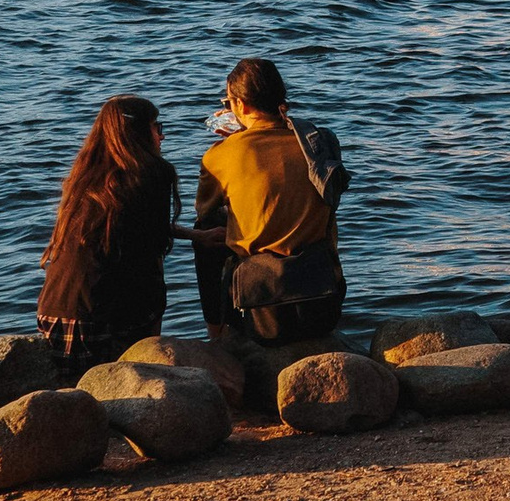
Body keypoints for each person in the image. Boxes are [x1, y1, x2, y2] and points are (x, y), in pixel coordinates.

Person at [194, 57, 350, 346]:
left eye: (228, 102)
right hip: (323, 304)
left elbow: (204, 207)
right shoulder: (318, 142)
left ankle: (216, 337)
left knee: (206, 226)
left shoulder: (222, 155)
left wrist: (233, 145)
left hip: (262, 316)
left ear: (240, 105)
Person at [36, 95, 177, 368]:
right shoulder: (152, 173)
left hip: (54, 314)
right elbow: (155, 245)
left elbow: (125, 229)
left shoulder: (86, 176)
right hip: (99, 324)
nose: (162, 136)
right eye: (157, 128)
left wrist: (196, 235)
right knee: (149, 284)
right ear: (139, 134)